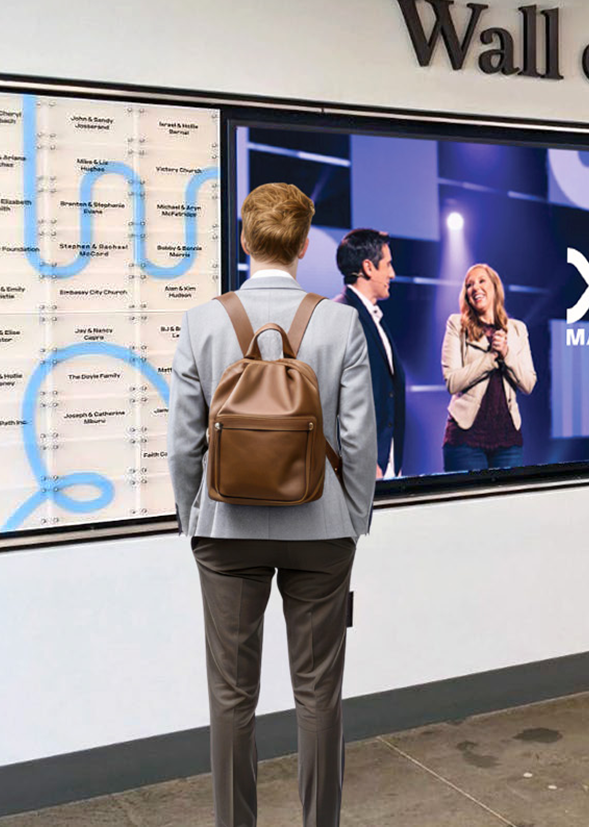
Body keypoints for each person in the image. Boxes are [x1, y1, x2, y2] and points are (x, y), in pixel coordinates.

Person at [168, 182, 378, 827]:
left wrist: (194, 519)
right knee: (319, 695)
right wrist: (354, 519)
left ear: (244, 239)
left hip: (226, 533)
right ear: (305, 244)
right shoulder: (339, 321)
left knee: (231, 698)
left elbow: (184, 443)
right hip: (321, 532)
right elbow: (358, 438)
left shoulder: (204, 322)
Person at [441, 263, 536, 472]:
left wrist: (506, 354)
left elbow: (528, 384)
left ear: (495, 286)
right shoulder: (457, 325)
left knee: (509, 505)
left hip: (508, 440)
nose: (475, 288)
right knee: (468, 505)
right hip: (466, 440)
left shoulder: (518, 329)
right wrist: (492, 357)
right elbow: (452, 382)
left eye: (481, 281)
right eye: (469, 285)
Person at [335, 228, 405, 479]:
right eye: (387, 264)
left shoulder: (376, 318)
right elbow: (334, 398)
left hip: (385, 465)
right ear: (368, 267)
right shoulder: (341, 314)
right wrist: (361, 460)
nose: (392, 274)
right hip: (362, 468)